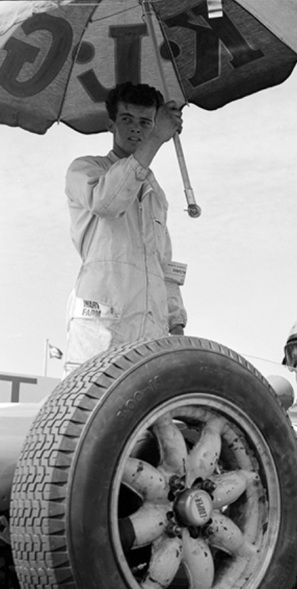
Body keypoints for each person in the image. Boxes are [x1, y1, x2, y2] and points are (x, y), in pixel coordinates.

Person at [63, 82, 187, 375]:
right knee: (90, 409)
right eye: (127, 119)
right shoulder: (85, 169)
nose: (136, 129)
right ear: (111, 124)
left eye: (146, 122)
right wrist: (155, 140)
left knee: (147, 413)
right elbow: (107, 202)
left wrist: (176, 321)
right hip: (101, 319)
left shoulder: (156, 193)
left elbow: (164, 262)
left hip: (150, 327)